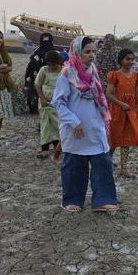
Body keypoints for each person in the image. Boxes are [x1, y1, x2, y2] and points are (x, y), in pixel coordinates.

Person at [52, 36, 118, 213]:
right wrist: (74, 122)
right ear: (77, 52)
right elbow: (58, 103)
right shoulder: (66, 74)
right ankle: (72, 200)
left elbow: (99, 99)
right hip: (75, 129)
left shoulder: (93, 71)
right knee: (74, 165)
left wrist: (105, 123)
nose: (92, 55)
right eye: (87, 52)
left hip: (95, 126)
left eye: (93, 52)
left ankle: (103, 200)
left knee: (102, 162)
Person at [106, 49, 138, 178]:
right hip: (117, 111)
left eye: (132, 59)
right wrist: (121, 104)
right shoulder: (115, 75)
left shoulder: (136, 76)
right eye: (127, 59)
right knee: (114, 138)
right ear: (121, 60)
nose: (130, 61)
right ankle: (106, 163)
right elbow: (108, 94)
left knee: (127, 140)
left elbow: (137, 92)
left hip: (131, 111)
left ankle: (124, 168)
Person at [34, 50, 62, 159]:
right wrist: (42, 98)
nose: (51, 67)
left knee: (57, 124)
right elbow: (37, 85)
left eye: (53, 64)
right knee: (45, 124)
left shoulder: (63, 71)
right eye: (49, 64)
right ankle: (44, 148)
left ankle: (57, 146)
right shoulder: (43, 70)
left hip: (58, 102)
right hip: (45, 101)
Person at [25, 33, 55, 114]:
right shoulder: (53, 52)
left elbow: (30, 65)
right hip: (41, 77)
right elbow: (31, 65)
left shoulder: (38, 52)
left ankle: (35, 107)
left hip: (41, 77)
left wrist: (27, 79)